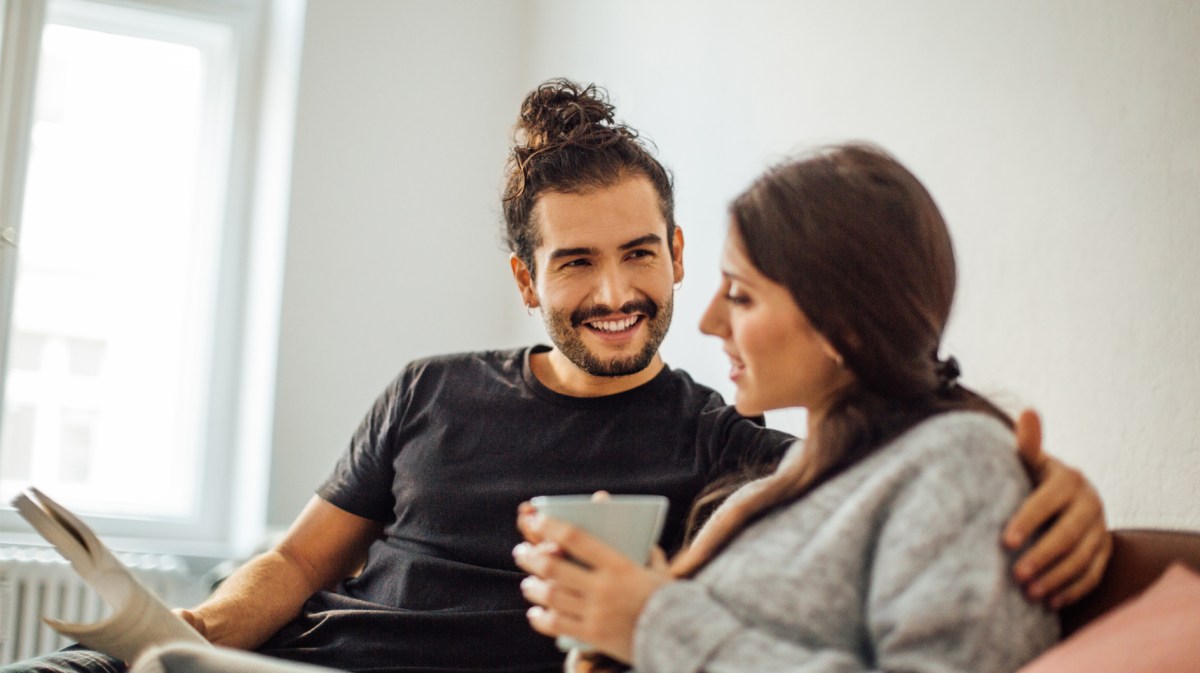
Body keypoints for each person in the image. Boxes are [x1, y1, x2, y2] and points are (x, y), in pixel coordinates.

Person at [3, 81, 1107, 673]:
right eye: (576, 262)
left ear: (676, 253)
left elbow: (884, 435)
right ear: (527, 278)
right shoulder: (426, 390)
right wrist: (182, 633)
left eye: (641, 254)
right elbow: (295, 563)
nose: (616, 292)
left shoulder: (729, 443)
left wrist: (1051, 480)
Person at [513, 144, 1064, 673]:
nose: (707, 321)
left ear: (841, 321)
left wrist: (652, 623)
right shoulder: (756, 498)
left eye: (741, 295)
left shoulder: (958, 463)